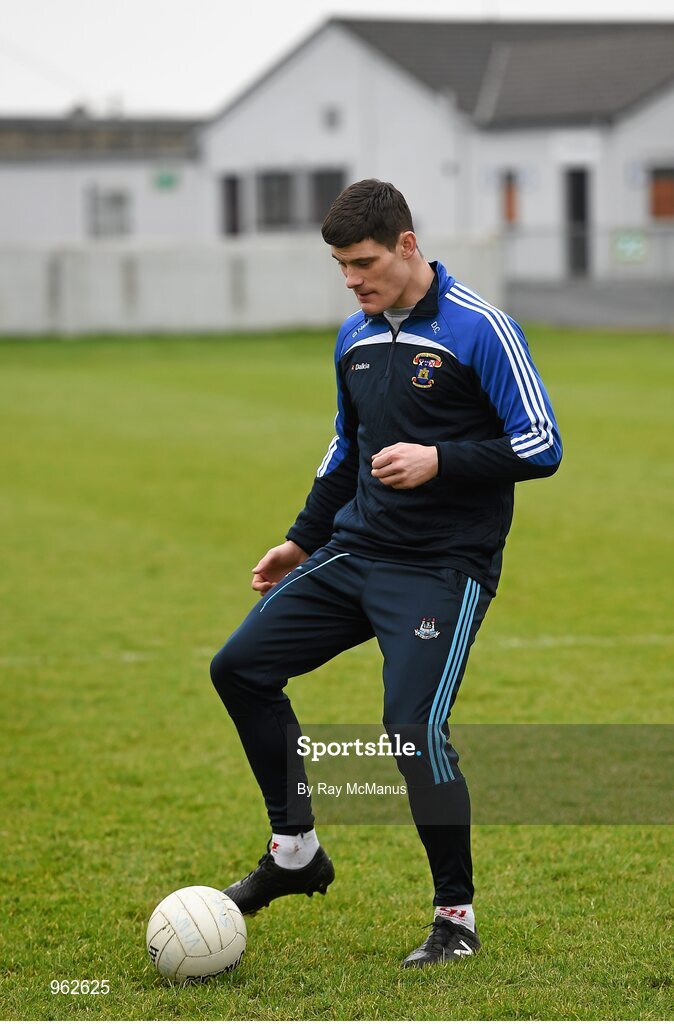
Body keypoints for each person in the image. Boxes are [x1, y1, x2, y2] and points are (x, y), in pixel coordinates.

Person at [210, 179, 562, 967]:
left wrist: (441, 460)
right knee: (239, 668)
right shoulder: (355, 337)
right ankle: (295, 853)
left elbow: (541, 444)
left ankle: (455, 920)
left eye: (363, 262)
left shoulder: (483, 329)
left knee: (411, 730)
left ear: (408, 245)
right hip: (354, 551)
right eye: (341, 266)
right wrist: (301, 541)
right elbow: (347, 448)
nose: (353, 280)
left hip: (442, 569)